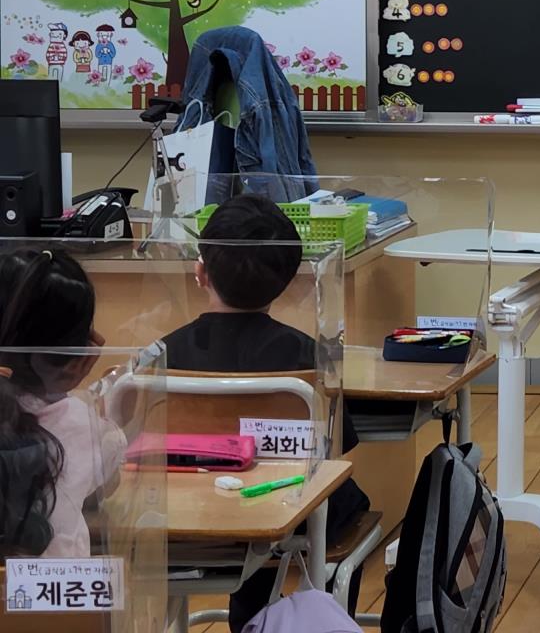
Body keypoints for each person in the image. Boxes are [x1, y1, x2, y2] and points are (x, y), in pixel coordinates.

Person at [162, 194, 369, 633]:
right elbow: (338, 443)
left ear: (200, 272)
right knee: (347, 498)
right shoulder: (306, 357)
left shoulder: (164, 354)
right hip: (284, 509)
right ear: (289, 280)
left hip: (188, 509)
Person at [0, 248, 125, 558]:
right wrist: (68, 384)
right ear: (76, 357)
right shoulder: (90, 430)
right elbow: (106, 487)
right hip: (57, 603)